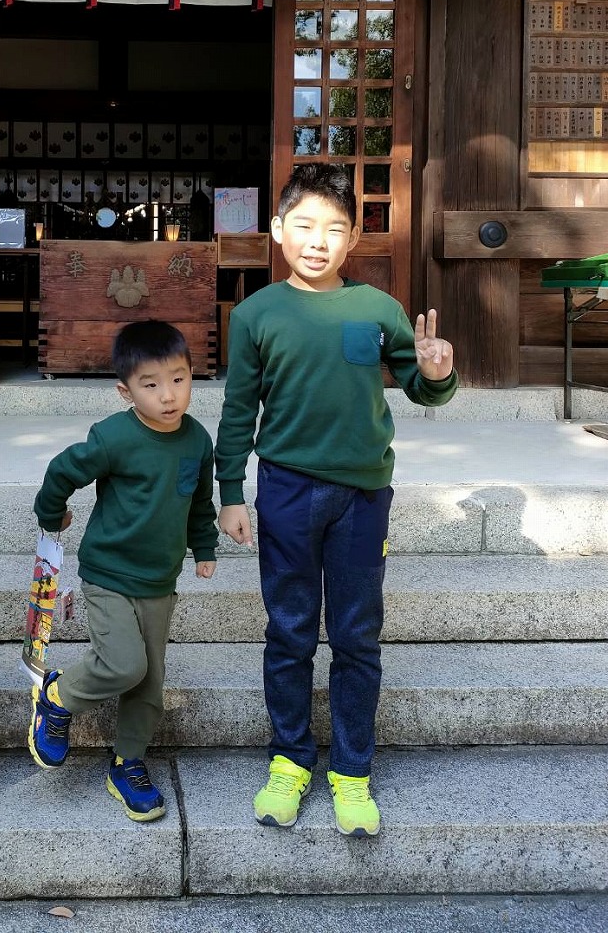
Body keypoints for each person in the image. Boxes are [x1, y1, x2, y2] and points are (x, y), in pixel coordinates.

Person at [215, 163, 457, 838]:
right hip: (287, 491)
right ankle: (289, 762)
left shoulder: (377, 308)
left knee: (355, 635)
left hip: (363, 495)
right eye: (305, 226)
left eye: (335, 230)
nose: (318, 241)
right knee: (289, 631)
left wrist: (437, 371)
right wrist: (231, 491)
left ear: (353, 240)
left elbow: (420, 383)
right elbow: (239, 411)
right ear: (277, 230)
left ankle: (352, 772)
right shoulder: (259, 313)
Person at [28, 319, 218, 822]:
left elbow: (200, 502)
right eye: (150, 385)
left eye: (179, 379)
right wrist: (52, 514)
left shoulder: (198, 441)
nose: (168, 395)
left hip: (159, 582)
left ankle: (127, 763)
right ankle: (58, 696)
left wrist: (204, 548)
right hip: (109, 573)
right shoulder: (113, 437)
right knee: (122, 665)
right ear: (125, 391)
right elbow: (61, 472)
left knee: (149, 684)